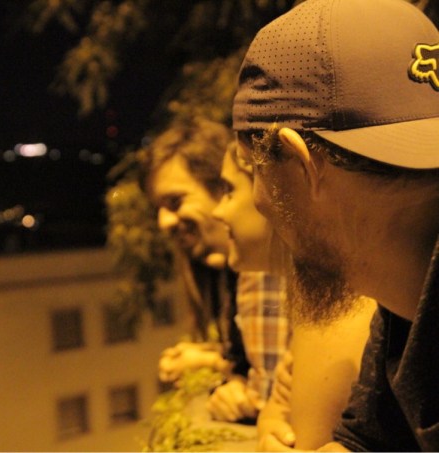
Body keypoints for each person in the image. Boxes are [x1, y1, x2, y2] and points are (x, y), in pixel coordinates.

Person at [232, 0, 439, 450]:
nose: (258, 203)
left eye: (253, 168)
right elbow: (364, 442)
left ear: (301, 165)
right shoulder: (400, 301)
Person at [212, 142, 376, 450]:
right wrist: (271, 421)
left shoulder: (346, 305)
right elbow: (280, 404)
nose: (216, 211)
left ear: (299, 177)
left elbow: (307, 441)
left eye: (229, 191)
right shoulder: (319, 297)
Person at [142, 115, 289, 423]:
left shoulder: (263, 269)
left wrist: (237, 388)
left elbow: (271, 396)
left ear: (222, 188)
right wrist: (220, 363)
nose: (163, 222)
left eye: (175, 201)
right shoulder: (242, 271)